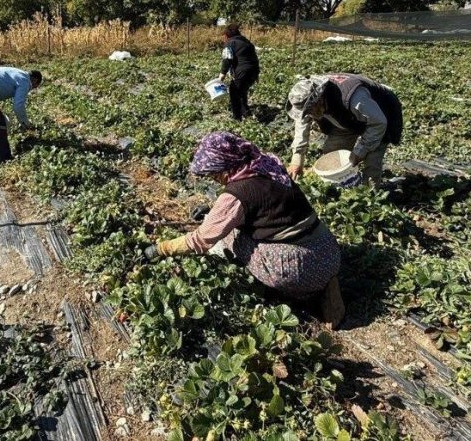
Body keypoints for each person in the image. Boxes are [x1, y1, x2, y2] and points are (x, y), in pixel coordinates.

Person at [145, 132, 344, 327]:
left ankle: (308, 293)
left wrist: (161, 249)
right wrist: (214, 210)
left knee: (233, 237)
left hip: (301, 269)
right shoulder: (266, 165)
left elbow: (200, 239)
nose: (214, 179)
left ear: (225, 167)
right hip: (329, 250)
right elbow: (263, 203)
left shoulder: (237, 195)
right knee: (237, 227)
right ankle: (323, 282)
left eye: (214, 174)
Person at [285, 73, 403, 186]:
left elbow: (378, 123)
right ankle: (337, 186)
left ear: (319, 101)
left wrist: (359, 152)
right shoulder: (309, 98)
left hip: (382, 114)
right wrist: (297, 158)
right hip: (348, 118)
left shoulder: (353, 98)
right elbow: (302, 123)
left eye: (310, 111)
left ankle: (370, 195)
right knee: (332, 155)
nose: (309, 115)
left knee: (371, 160)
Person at [219, 24, 260, 120]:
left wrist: (222, 74)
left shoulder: (230, 43)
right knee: (242, 91)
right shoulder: (247, 42)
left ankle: (237, 118)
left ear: (226, 35)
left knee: (234, 93)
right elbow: (254, 58)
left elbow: (227, 59)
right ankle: (246, 114)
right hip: (253, 71)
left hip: (242, 71)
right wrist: (257, 74)